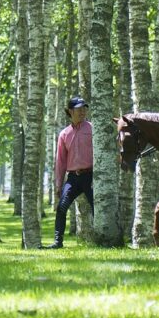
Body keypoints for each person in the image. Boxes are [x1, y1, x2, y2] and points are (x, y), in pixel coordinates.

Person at [45, 96, 94, 249]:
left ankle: (102, 239)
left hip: (91, 176)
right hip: (73, 178)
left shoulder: (92, 128)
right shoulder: (64, 134)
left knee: (97, 208)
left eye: (84, 109)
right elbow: (60, 161)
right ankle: (57, 242)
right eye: (79, 109)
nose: (82, 112)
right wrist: (59, 185)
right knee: (62, 207)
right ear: (70, 111)